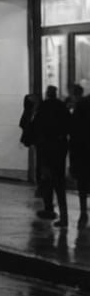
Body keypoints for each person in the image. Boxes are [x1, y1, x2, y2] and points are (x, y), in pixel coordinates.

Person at [30, 85, 71, 225]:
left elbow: (36, 126)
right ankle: (64, 216)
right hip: (60, 148)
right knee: (59, 182)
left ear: (47, 94)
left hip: (46, 149)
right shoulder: (62, 107)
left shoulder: (43, 107)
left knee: (47, 179)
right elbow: (69, 125)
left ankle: (49, 209)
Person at [68, 84, 90, 226]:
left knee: (82, 183)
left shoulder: (81, 105)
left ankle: (83, 212)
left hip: (83, 149)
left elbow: (74, 130)